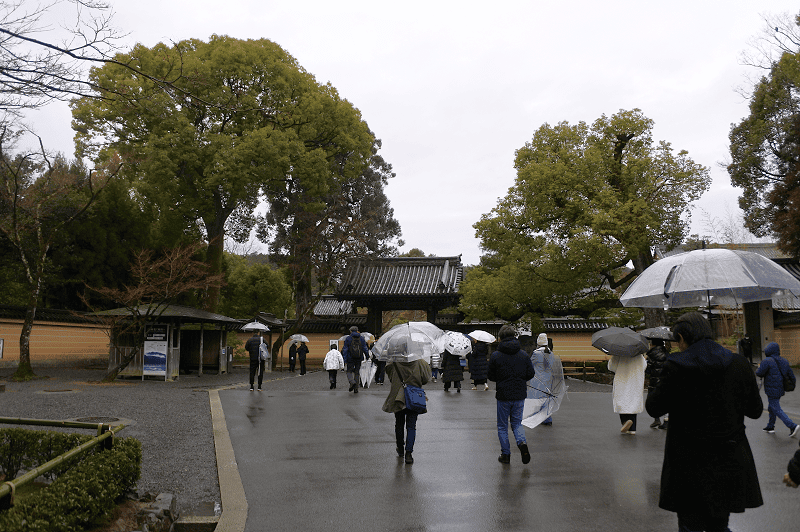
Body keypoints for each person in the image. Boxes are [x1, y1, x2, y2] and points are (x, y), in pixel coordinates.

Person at [646, 312, 763, 532]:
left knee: (690, 524)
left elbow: (653, 407)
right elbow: (755, 411)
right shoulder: (738, 364)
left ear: (681, 338)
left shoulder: (676, 366)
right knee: (719, 525)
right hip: (729, 457)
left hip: (687, 460)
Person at [487, 324, 535, 465]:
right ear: (515, 336)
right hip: (519, 394)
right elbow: (530, 373)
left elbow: (491, 376)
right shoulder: (523, 354)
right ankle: (522, 444)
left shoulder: (496, 355)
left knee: (502, 426)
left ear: (500, 338)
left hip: (503, 395)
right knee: (516, 423)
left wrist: (501, 379)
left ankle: (506, 455)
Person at [382, 338, 431, 465]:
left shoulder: (393, 363)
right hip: (414, 396)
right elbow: (425, 379)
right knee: (411, 426)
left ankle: (400, 448)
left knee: (399, 424)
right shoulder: (420, 362)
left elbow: (391, 377)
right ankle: (409, 454)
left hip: (398, 397)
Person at [755, 341, 799, 437]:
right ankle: (770, 426)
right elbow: (792, 376)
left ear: (768, 350)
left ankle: (792, 426)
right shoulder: (784, 360)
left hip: (771, 389)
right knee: (772, 407)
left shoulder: (767, 361)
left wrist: (758, 367)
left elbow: (759, 373)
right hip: (780, 389)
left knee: (775, 407)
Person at [608, 349, 646, 435]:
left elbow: (611, 367)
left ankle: (625, 421)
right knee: (634, 403)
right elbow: (644, 366)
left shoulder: (618, 353)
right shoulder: (639, 355)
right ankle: (632, 429)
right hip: (635, 380)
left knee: (622, 401)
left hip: (622, 380)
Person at [530, 333, 554, 425]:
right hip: (548, 379)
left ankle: (540, 418)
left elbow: (530, 364)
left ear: (538, 343)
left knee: (538, 399)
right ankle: (548, 419)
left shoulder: (536, 353)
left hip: (538, 379)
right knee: (547, 399)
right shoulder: (550, 353)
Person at [645, 338, 669, 429]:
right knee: (666, 399)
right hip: (665, 379)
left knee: (654, 399)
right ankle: (666, 421)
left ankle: (656, 419)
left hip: (654, 380)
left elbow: (648, 370)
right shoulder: (666, 353)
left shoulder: (651, 354)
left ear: (653, 344)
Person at [343, 326, 369, 393]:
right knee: (357, 373)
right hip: (359, 357)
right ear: (357, 331)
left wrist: (344, 359)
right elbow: (365, 348)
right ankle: (356, 389)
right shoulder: (361, 338)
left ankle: (352, 381)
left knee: (349, 371)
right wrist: (367, 356)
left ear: (350, 331)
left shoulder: (348, 338)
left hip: (350, 358)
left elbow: (345, 349)